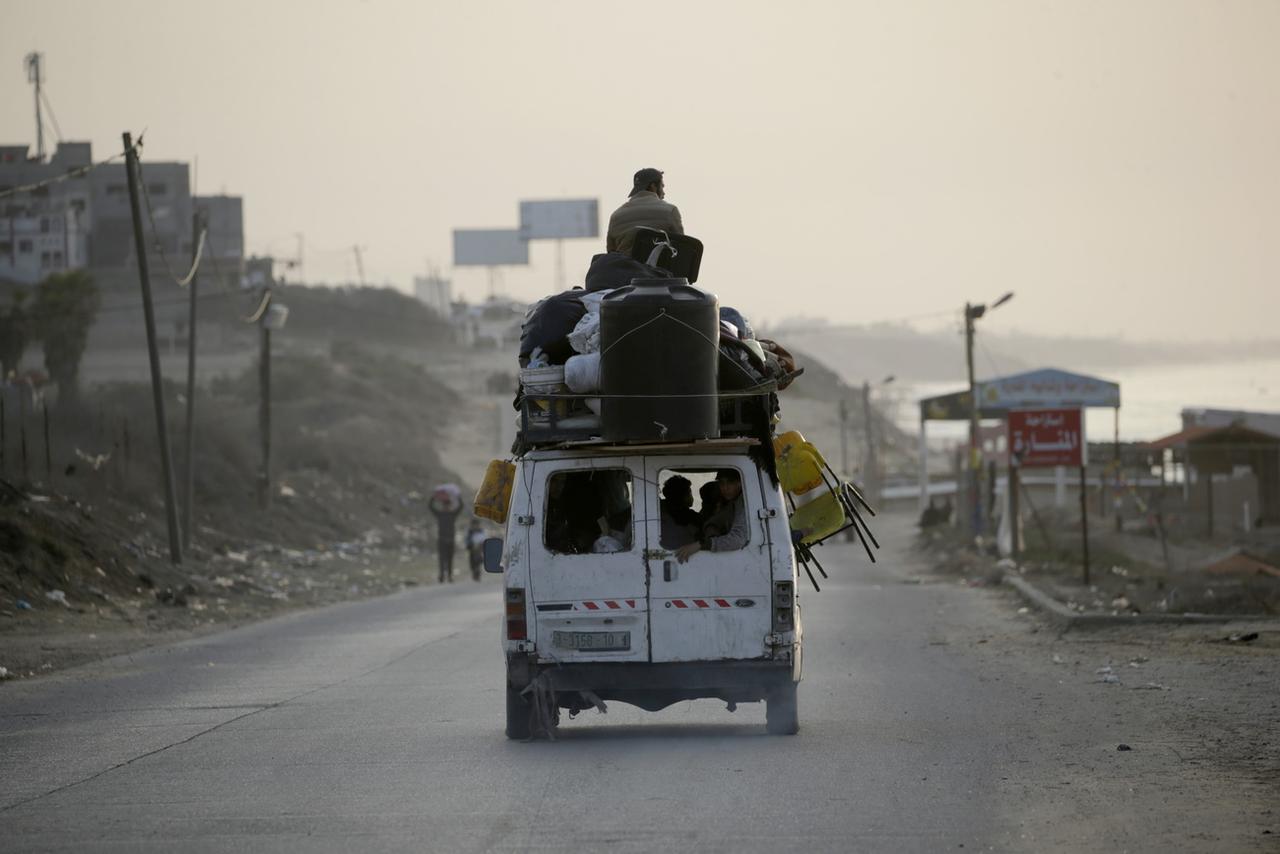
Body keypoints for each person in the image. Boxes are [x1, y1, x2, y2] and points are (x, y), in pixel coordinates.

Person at [605, 168, 684, 255]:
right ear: (653, 186)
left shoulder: (616, 216)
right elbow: (683, 247)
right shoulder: (670, 211)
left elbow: (611, 252)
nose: (664, 193)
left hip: (626, 268)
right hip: (659, 267)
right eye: (662, 186)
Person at [676, 469, 748, 562]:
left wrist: (701, 545)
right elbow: (714, 521)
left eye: (731, 482)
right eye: (721, 483)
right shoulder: (729, 503)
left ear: (740, 482)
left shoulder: (743, 502)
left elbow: (738, 539)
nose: (725, 488)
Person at [429, 487, 462, 583]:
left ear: (450, 506)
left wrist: (458, 497)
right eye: (445, 505)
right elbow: (430, 507)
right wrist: (433, 497)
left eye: (448, 505)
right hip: (442, 540)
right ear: (443, 506)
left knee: (450, 559)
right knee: (442, 559)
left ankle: (450, 576)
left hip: (450, 540)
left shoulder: (453, 514)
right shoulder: (439, 514)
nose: (446, 507)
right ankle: (441, 576)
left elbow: (461, 507)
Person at [659, 475, 700, 548]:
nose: (691, 496)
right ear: (683, 495)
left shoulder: (659, 509)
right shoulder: (690, 516)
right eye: (689, 492)